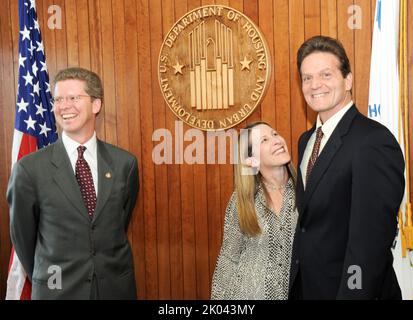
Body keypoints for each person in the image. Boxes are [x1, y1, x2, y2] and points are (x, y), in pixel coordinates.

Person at [7, 67, 139, 299]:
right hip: (57, 290)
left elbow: (118, 223)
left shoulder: (124, 164)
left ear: (96, 105)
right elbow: (23, 238)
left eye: (73, 98)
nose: (63, 106)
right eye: (58, 99)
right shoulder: (29, 169)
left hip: (114, 289)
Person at [289, 35, 405, 300]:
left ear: (348, 80)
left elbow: (369, 245)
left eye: (326, 75)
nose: (315, 85)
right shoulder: (306, 141)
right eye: (307, 78)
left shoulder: (374, 141)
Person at [211, 121, 298, 300]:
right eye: (264, 140)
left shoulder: (305, 193)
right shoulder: (242, 201)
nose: (277, 140)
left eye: (275, 134)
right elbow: (229, 258)